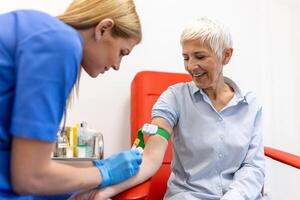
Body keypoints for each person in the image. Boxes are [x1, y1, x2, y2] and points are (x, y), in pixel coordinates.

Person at [80, 17, 265, 200]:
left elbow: (253, 167)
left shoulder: (250, 105)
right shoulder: (174, 98)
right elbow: (151, 158)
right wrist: (106, 191)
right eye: (186, 57)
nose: (191, 66)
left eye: (200, 56)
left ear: (226, 55)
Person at [0, 0, 143, 199]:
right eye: (122, 53)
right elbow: (30, 176)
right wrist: (104, 173)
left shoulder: (40, 30)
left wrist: (96, 168)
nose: (117, 65)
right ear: (104, 29)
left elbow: (25, 161)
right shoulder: (60, 44)